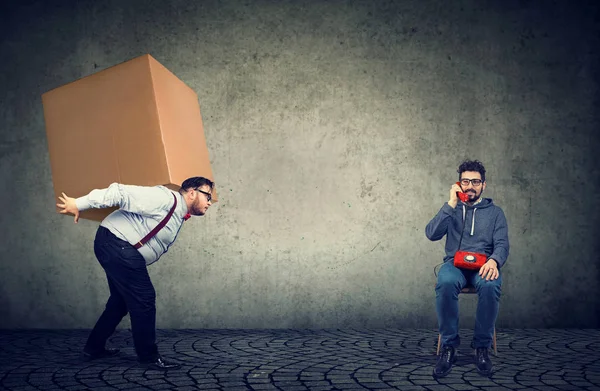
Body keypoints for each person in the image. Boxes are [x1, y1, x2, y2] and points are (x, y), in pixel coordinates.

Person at [56, 177, 214, 370]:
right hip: (117, 244)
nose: (209, 202)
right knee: (144, 298)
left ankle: (93, 348)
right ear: (191, 192)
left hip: (116, 246)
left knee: (120, 302)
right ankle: (148, 357)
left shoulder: (178, 212)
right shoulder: (165, 198)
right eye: (207, 196)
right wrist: (78, 204)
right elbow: (119, 192)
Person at [425, 160, 509, 378]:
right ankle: (449, 347)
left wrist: (495, 261)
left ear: (483, 185)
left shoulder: (496, 213)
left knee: (490, 286)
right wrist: (451, 204)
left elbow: (502, 244)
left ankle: (481, 347)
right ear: (458, 183)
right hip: (455, 265)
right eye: (465, 181)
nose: (470, 185)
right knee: (445, 282)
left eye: (475, 181)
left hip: (484, 266)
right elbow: (431, 233)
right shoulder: (451, 209)